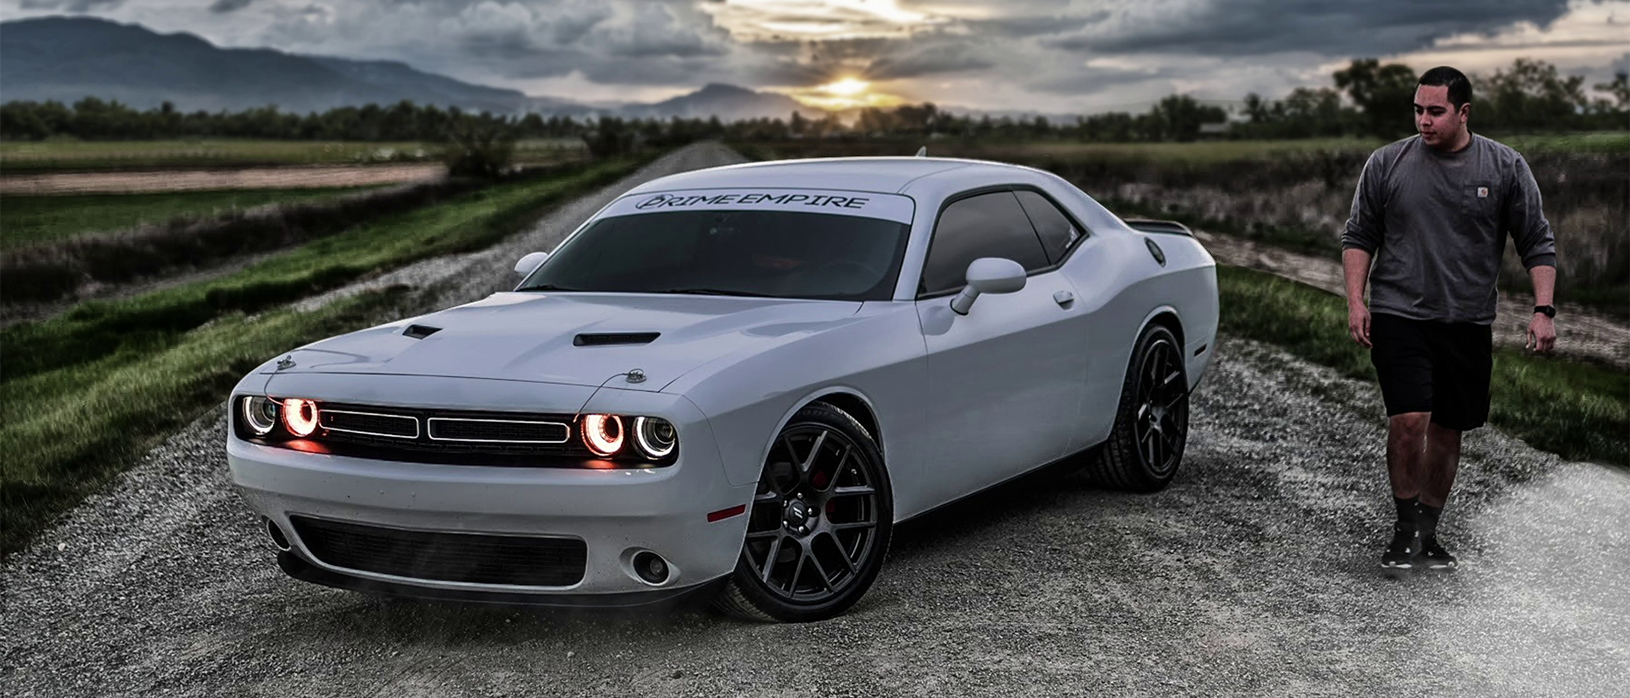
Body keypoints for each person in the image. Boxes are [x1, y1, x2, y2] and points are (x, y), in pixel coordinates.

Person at [1340, 66, 1558, 571]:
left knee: (1447, 430)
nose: (1424, 120)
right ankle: (1403, 530)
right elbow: (1359, 236)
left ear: (1463, 112)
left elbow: (1536, 242)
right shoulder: (1386, 163)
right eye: (1418, 109)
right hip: (1400, 313)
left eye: (1435, 111)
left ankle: (1427, 532)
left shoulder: (1504, 167)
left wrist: (1543, 310)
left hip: (1467, 321)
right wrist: (1356, 301)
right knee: (1409, 419)